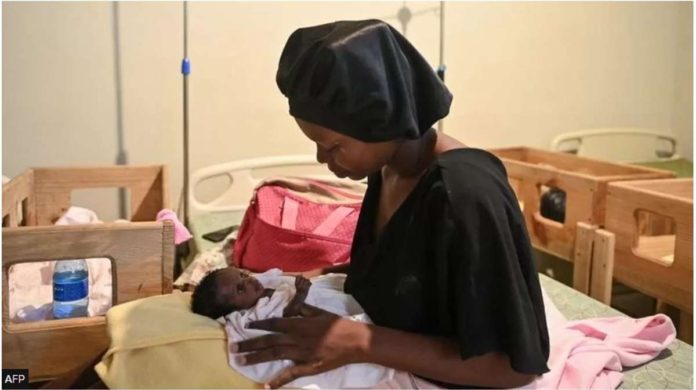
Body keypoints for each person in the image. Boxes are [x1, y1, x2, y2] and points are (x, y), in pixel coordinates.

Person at [233, 19, 550, 389]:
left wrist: (359, 342)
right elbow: (409, 263)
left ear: (381, 120)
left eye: (333, 146)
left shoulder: (464, 195)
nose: (321, 158)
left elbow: (514, 366)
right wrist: (313, 277)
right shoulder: (388, 168)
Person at [191, 267, 313, 319]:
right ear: (234, 311)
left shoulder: (261, 284)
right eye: (240, 289)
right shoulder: (258, 311)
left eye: (243, 275)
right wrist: (300, 295)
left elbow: (281, 275)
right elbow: (287, 315)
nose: (249, 280)